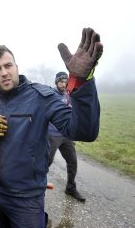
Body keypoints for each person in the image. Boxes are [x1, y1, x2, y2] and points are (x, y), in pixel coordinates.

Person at [0, 27, 103, 227]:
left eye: (8, 66)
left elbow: (84, 132)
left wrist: (81, 81)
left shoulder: (42, 97)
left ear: (16, 66)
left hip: (26, 197)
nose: (4, 73)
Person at [48, 71, 86, 202]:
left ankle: (70, 188)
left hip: (67, 135)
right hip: (52, 135)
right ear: (56, 82)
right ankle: (36, 187)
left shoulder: (69, 95)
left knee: (72, 161)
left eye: (66, 82)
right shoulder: (51, 95)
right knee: (46, 162)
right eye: (61, 82)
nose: (63, 84)